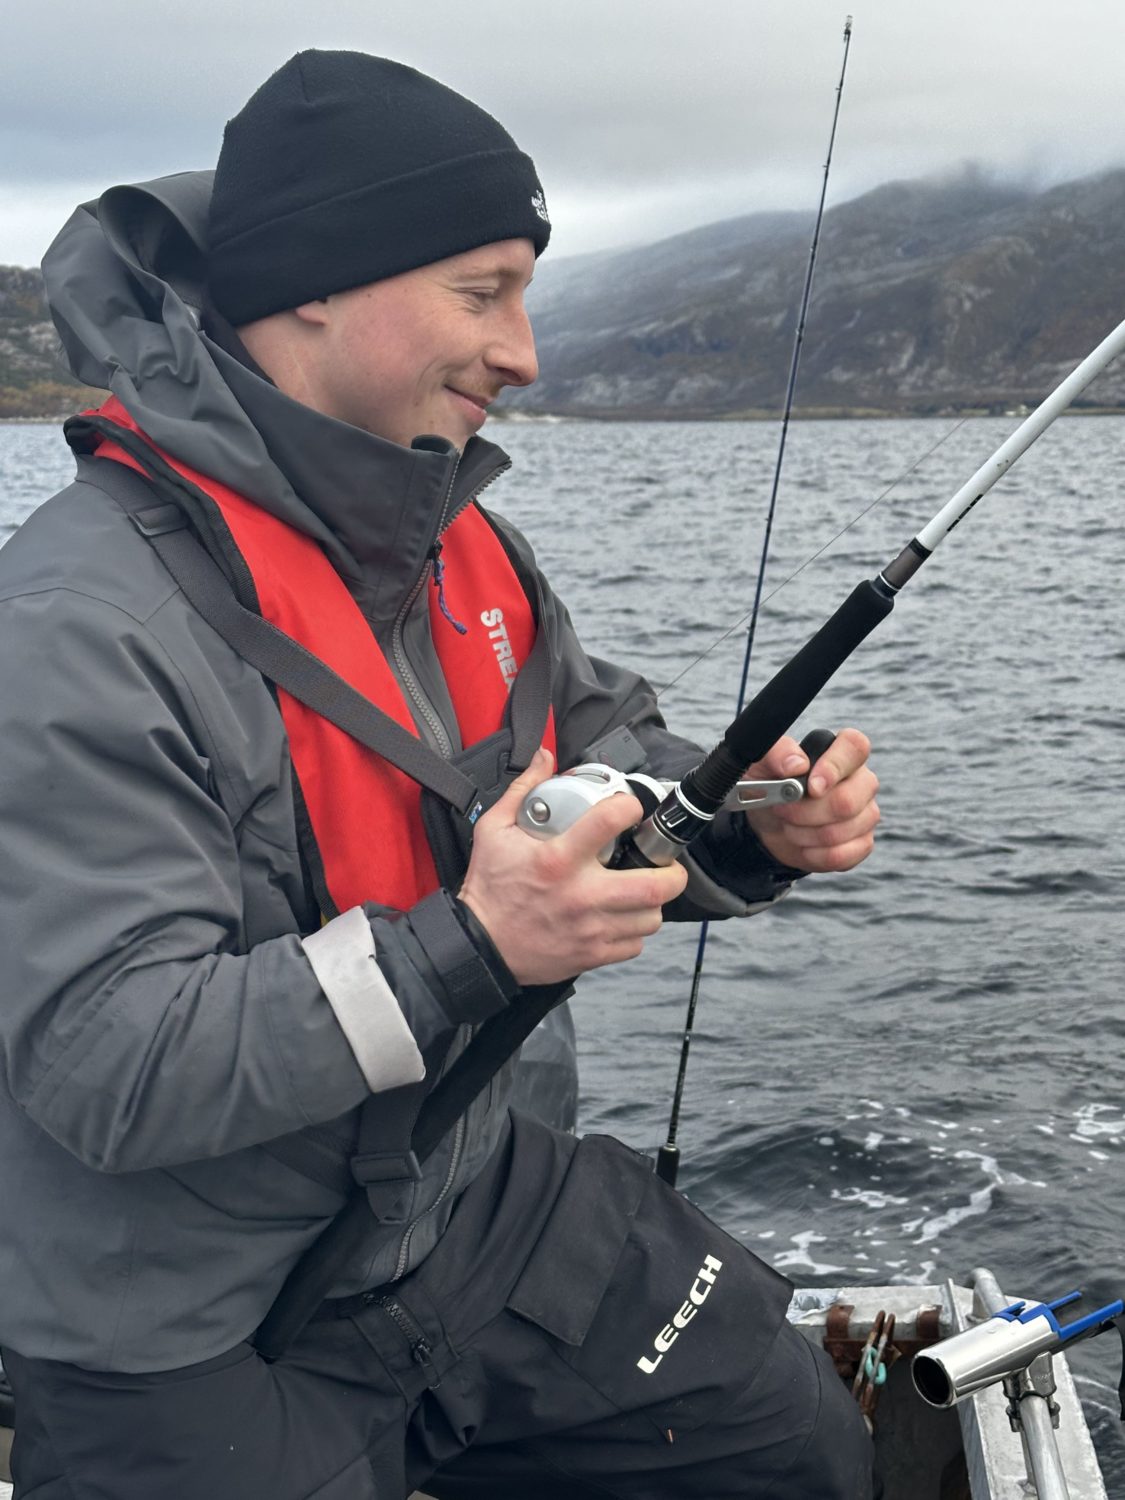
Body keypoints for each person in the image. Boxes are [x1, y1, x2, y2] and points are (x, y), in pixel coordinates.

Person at [0, 50, 881, 1500]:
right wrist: (467, 947)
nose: (523, 352)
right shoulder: (75, 628)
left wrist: (750, 826)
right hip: (191, 1314)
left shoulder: (461, 541)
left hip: (466, 1199)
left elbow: (608, 762)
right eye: (483, 294)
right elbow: (108, 1060)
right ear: (311, 289)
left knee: (785, 1453)